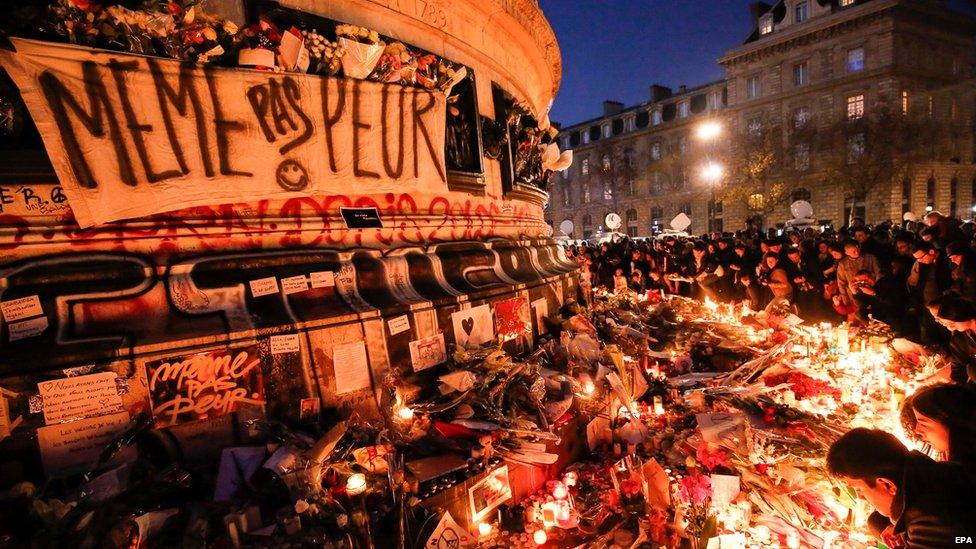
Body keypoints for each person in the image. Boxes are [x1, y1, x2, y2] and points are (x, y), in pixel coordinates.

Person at [826, 428, 976, 548]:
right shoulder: (938, 470)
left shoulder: (929, 523)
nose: (862, 498)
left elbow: (963, 540)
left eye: (859, 489)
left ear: (887, 484)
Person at [900, 383, 976, 468]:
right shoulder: (950, 457)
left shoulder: (964, 474)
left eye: (923, 423)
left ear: (951, 424)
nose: (917, 430)